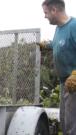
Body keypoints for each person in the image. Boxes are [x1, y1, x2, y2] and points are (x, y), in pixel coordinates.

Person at [41, 0, 76, 134]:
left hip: (74, 83)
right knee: (65, 122)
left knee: (72, 125)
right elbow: (59, 44)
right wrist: (48, 44)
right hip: (64, 84)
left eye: (46, 13)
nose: (45, 16)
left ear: (54, 10)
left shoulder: (74, 26)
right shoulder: (58, 29)